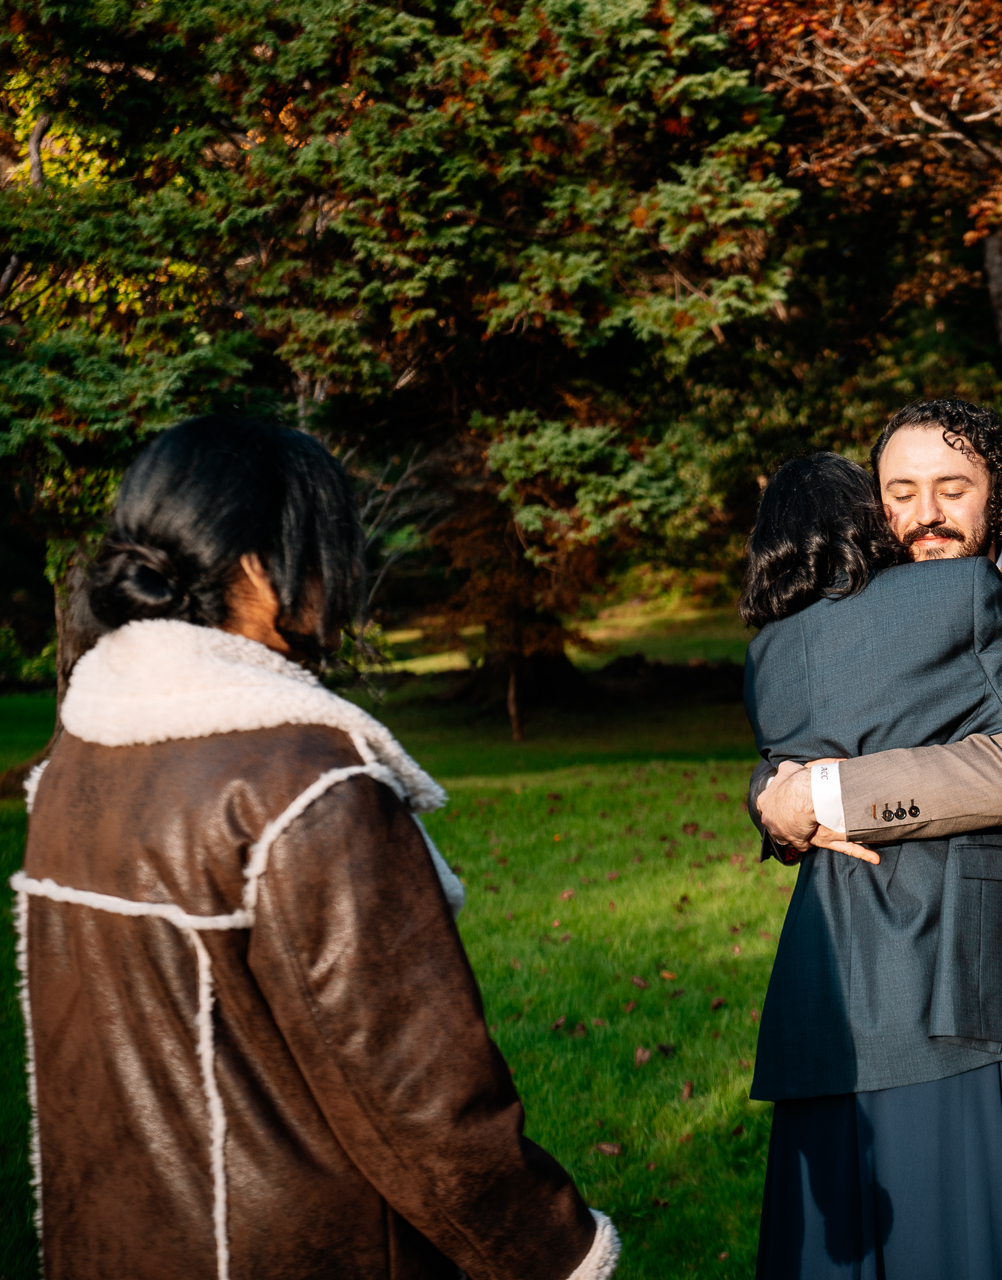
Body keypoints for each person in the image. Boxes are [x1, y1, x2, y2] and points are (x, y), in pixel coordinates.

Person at [13, 415, 617, 1280]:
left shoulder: (77, 761)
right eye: (328, 544)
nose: (342, 575)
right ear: (259, 568)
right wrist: (559, 1254)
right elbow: (421, 1107)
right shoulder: (304, 784)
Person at [750, 399, 1002, 1272]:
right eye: (899, 493)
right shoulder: (849, 617)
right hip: (903, 983)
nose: (925, 513)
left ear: (999, 498)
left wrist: (827, 792)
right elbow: (800, 732)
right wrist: (774, 795)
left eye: (953, 487)